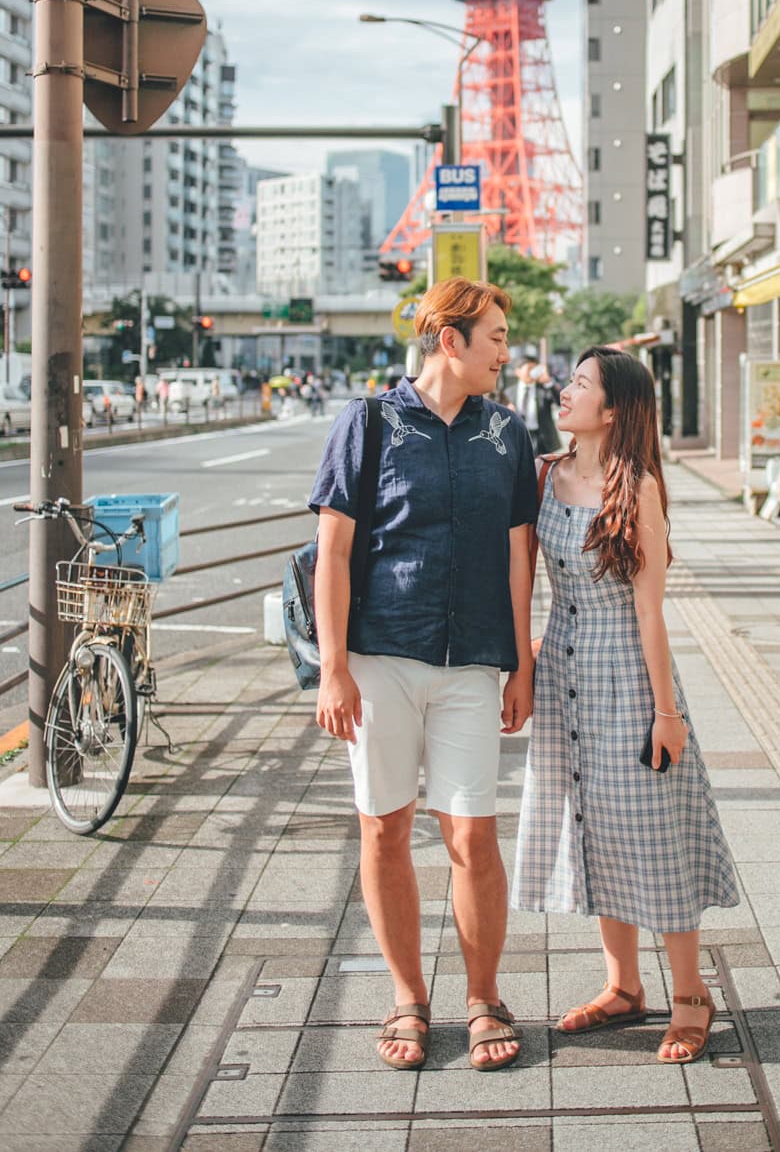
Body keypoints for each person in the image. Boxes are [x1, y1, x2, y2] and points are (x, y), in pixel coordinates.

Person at [309, 278, 538, 1073]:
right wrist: (332, 668)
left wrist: (521, 658)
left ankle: (484, 996)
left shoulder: (508, 434)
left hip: (474, 662)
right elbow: (333, 551)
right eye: (496, 338)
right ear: (451, 340)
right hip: (379, 660)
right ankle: (408, 995)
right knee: (385, 826)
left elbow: (520, 552)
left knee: (472, 832)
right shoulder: (368, 423)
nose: (504, 352)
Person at [511, 347, 739, 1064]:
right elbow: (528, 584)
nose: (565, 390)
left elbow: (650, 613)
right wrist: (524, 662)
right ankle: (623, 986)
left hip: (628, 678)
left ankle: (690, 994)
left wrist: (666, 714)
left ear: (612, 410)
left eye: (579, 384)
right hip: (562, 676)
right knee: (593, 828)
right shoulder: (544, 474)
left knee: (654, 833)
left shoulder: (636, 486)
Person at [514, 348, 560, 456]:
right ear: (518, 371)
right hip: (519, 439)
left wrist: (548, 382)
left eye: (535, 369)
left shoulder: (543, 389)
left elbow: (559, 402)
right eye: (529, 368)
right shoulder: (509, 392)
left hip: (543, 439)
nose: (532, 373)